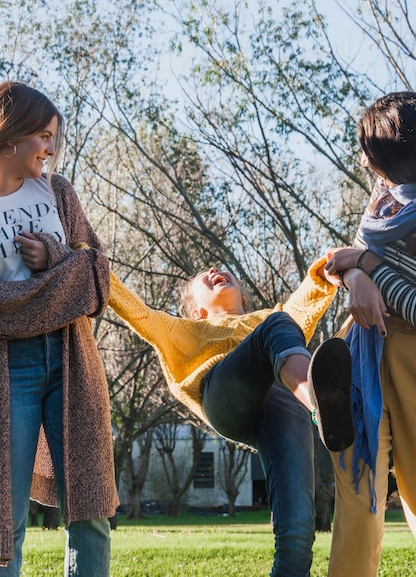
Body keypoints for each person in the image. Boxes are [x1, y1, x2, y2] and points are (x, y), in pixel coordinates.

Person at [107, 256, 354, 577]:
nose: (214, 270)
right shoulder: (184, 329)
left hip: (283, 401)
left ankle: (320, 409)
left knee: (297, 535)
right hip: (223, 396)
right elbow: (140, 313)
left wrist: (326, 271)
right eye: (203, 273)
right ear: (196, 310)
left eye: (223, 272)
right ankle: (320, 405)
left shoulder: (269, 318)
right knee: (278, 325)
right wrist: (97, 269)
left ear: (244, 299)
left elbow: (308, 297)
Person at [0, 81, 118, 575]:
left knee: (90, 514)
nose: (51, 148)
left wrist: (55, 256)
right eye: (44, 136)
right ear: (11, 134)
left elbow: (96, 277)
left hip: (71, 359)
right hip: (11, 372)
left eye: (55, 138)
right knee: (7, 518)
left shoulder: (58, 192)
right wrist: (60, 282)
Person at [323, 91, 416, 576]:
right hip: (361, 356)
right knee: (358, 499)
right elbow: (342, 258)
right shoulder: (386, 201)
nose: (362, 161)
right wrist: (357, 272)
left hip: (412, 355)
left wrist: (367, 265)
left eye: (372, 152)